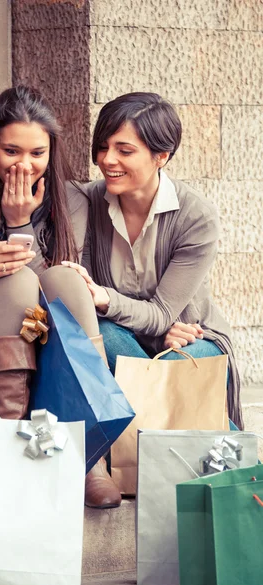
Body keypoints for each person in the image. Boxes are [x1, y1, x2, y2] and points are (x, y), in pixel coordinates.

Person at [0, 85, 122, 509]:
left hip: (43, 376)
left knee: (68, 282)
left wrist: (22, 229)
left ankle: (90, 456)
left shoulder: (69, 201)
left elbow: (50, 303)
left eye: (38, 153)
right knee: (14, 282)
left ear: (52, 152)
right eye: (11, 151)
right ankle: (4, 450)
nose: (25, 165)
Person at [67, 92, 242, 434]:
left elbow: (162, 312)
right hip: (124, 337)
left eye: (124, 150)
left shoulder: (196, 217)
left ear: (162, 155)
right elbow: (79, 298)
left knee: (173, 374)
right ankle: (236, 462)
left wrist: (105, 298)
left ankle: (241, 465)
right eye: (103, 147)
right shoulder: (86, 200)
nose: (107, 160)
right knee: (102, 337)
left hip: (192, 339)